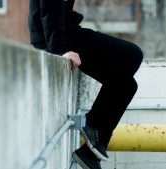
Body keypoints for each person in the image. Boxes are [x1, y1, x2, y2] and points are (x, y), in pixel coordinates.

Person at [28, 0, 143, 168]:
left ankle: (89, 154)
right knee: (132, 54)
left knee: (127, 86)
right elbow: (50, 7)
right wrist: (60, 49)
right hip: (59, 36)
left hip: (64, 31)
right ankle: (93, 123)